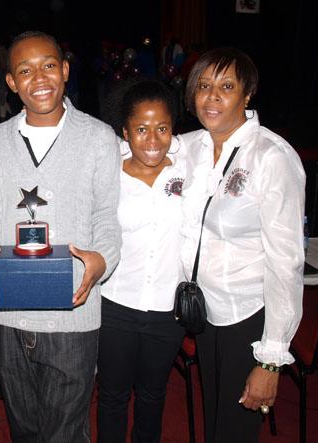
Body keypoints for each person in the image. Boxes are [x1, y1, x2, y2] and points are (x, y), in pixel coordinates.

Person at [0, 30, 121, 442]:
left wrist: (102, 260)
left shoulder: (99, 138)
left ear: (66, 70)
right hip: (6, 313)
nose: (39, 78)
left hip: (73, 312)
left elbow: (107, 217)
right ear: (10, 82)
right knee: (23, 429)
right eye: (25, 70)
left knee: (66, 432)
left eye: (49, 65)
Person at [180, 47, 305, 442]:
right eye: (204, 86)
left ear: (247, 93)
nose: (212, 97)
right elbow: (135, 144)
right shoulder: (191, 147)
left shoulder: (272, 157)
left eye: (227, 87)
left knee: (234, 431)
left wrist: (270, 359)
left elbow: (286, 263)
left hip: (248, 315)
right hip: (204, 311)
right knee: (215, 421)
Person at [97, 80, 186, 443]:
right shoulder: (108, 173)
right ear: (125, 132)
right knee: (112, 396)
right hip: (116, 303)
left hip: (168, 308)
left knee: (153, 395)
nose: (152, 139)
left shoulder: (188, 168)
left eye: (162, 128)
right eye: (141, 129)